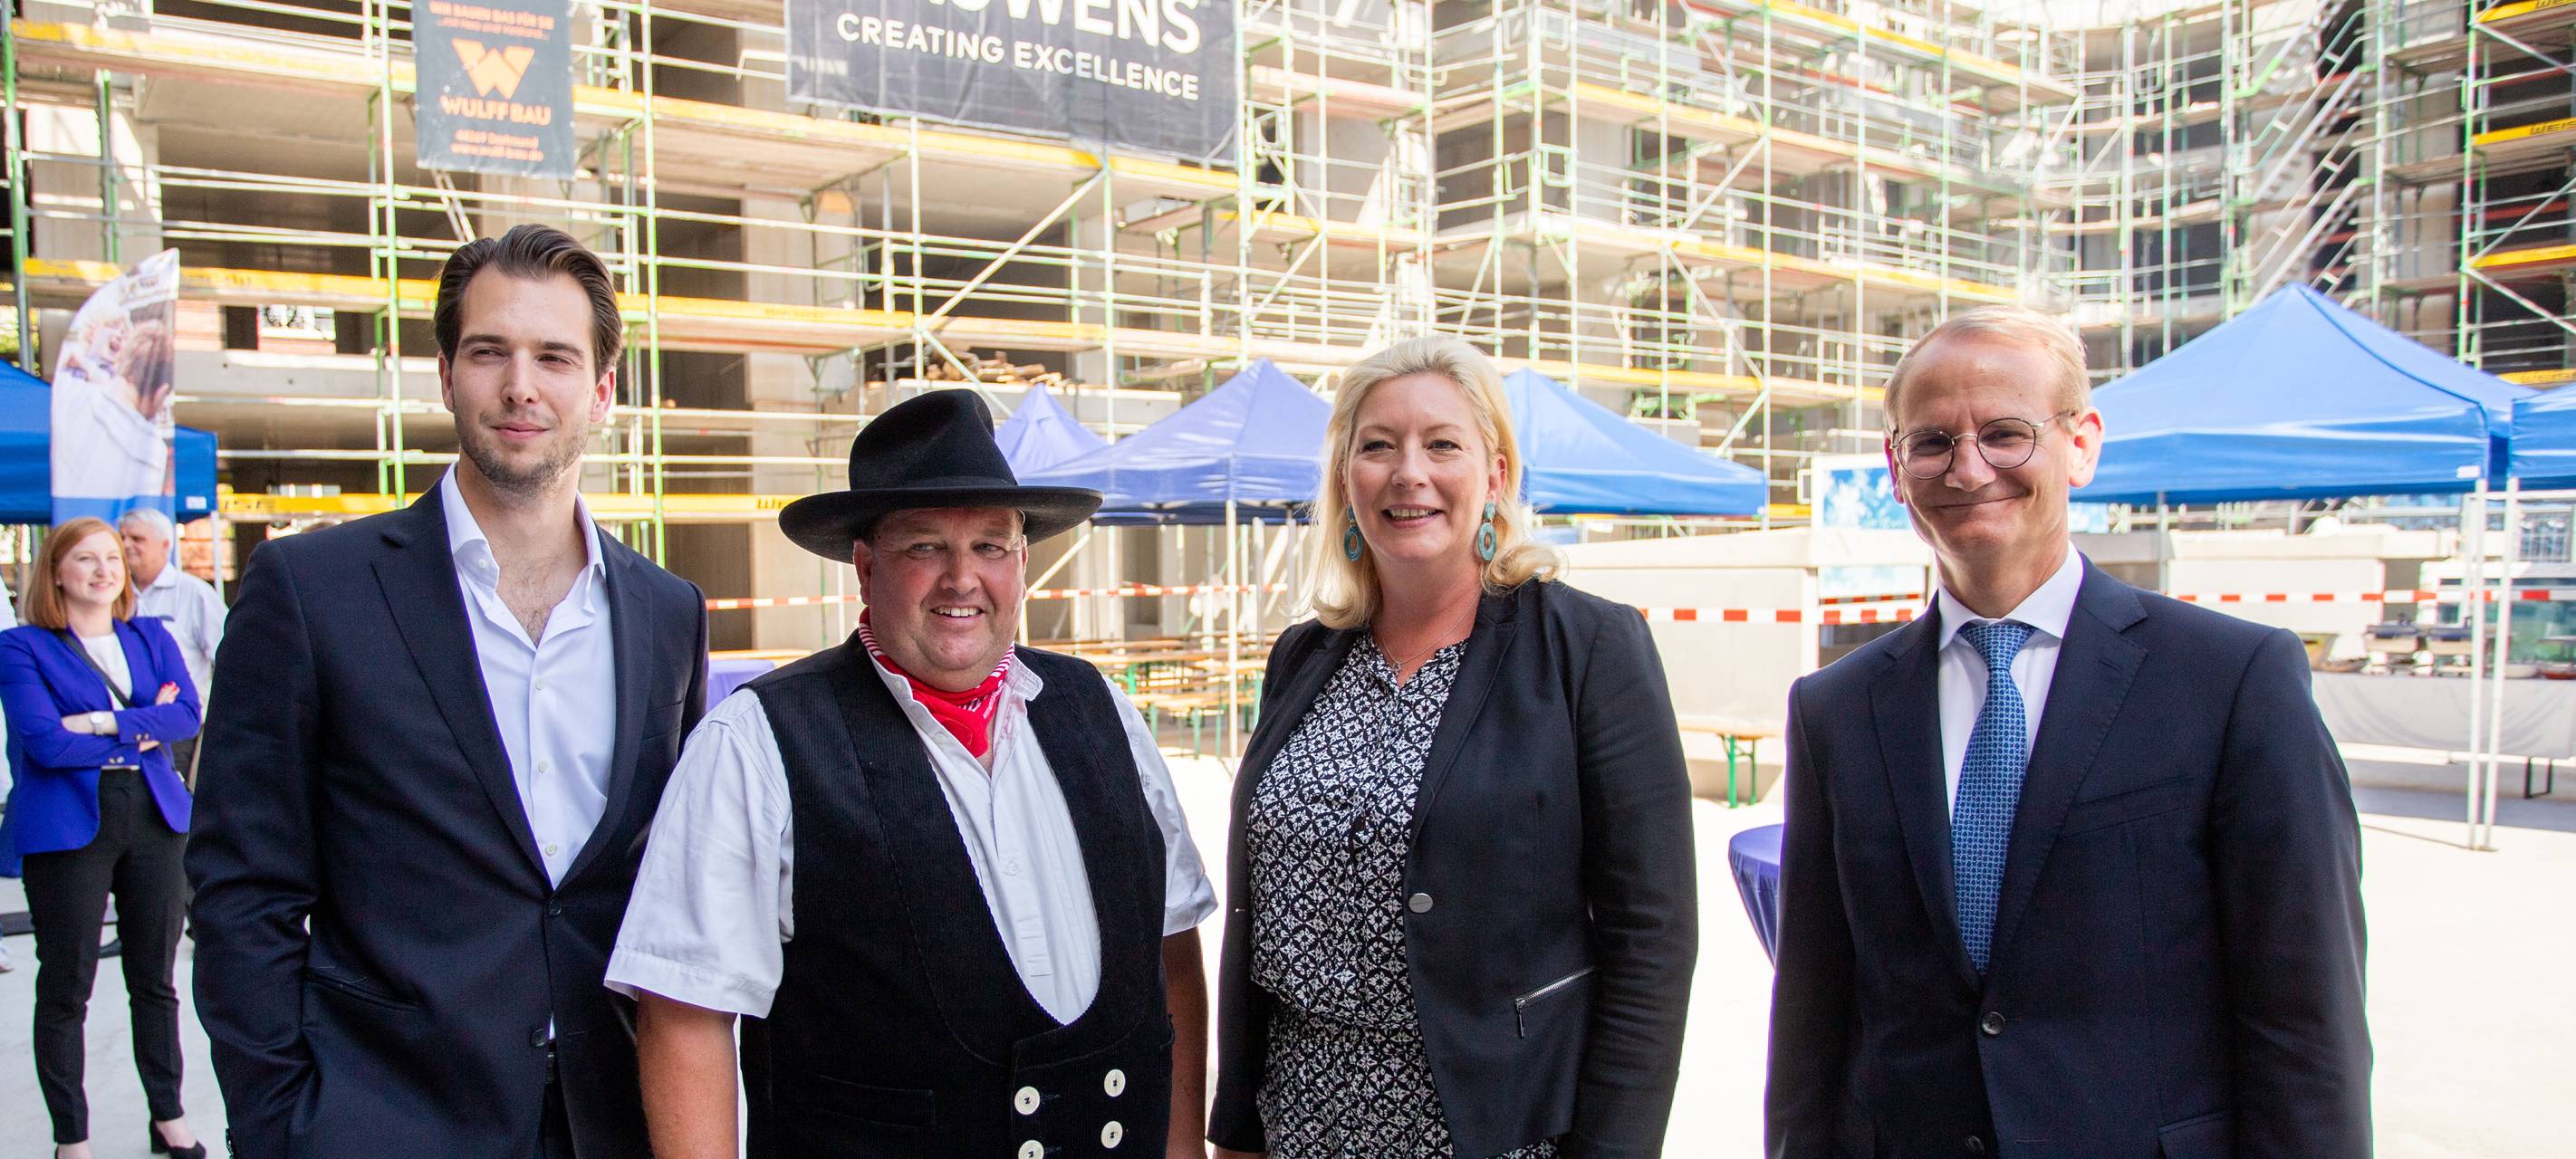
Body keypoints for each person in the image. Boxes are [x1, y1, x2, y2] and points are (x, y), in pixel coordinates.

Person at [1764, 306, 2371, 1157]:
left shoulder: (2231, 682)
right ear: (1897, 470)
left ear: (2081, 444)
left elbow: (2307, 1023)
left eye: (2007, 434)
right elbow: (1813, 1015)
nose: (1969, 468)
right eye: (1933, 442)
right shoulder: (1836, 709)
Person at [187, 224, 711, 1159]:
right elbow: (242, 889)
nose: (521, 385)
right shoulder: (311, 591)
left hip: (611, 1118)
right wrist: (279, 1124)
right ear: (445, 374)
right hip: (381, 1119)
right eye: (488, 352)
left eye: (554, 356)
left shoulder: (669, 614)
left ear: (601, 389)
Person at [608, 388, 1218, 1159]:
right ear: (866, 568)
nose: (963, 578)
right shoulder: (756, 741)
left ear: (1023, 561)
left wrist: (1180, 1149)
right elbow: (686, 1015)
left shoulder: (1103, 710)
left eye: (991, 547)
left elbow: (1171, 947)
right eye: (925, 547)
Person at [1208, 337, 1698, 1159]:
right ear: (1343, 479)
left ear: (1496, 475)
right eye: (1377, 446)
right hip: (1301, 1121)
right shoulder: (1302, 655)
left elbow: (1652, 937)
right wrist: (1238, 1124)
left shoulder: (1588, 648)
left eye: (1442, 444)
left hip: (1497, 1128)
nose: (1409, 472)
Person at [0, 517, 206, 1159]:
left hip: (154, 816)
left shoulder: (151, 635)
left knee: (156, 980)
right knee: (67, 985)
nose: (103, 570)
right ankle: (73, 1137)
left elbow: (186, 715)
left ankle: (168, 1117)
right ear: (55, 571)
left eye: (112, 558)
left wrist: (95, 722)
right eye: (85, 559)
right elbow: (44, 743)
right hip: (65, 825)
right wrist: (138, 728)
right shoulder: (23, 647)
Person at [120, 507, 224, 784]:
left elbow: (228, 655)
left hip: (178, 732)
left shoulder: (193, 593)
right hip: (124, 728)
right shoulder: (113, 594)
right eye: (123, 538)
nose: (127, 545)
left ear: (166, 545)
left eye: (137, 539)